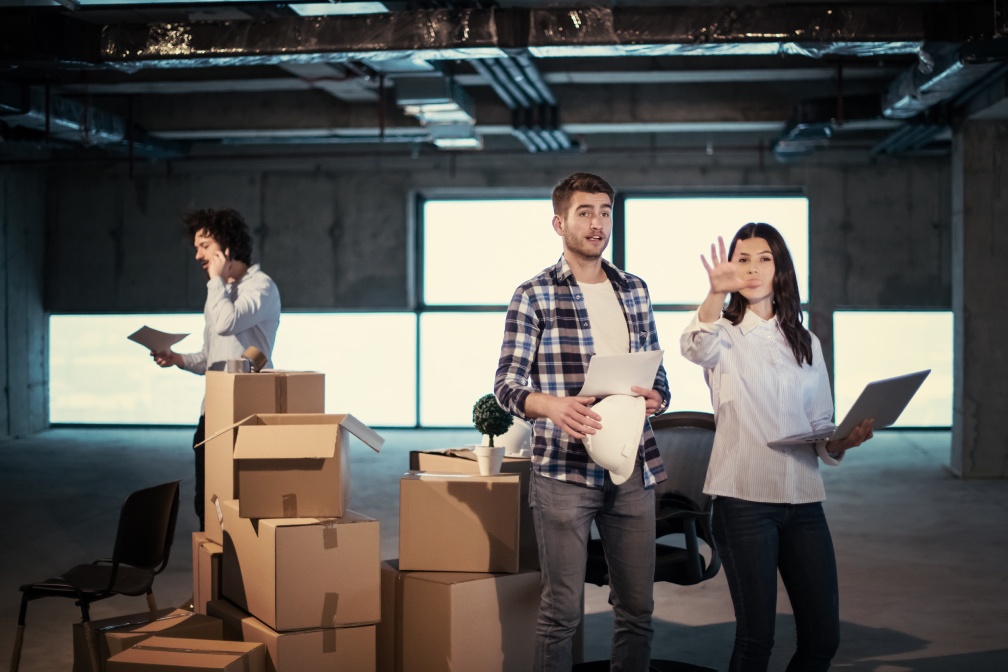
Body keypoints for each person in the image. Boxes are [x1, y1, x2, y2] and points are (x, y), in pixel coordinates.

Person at [494, 172, 670, 672]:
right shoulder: (534, 294)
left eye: (605, 212)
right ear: (559, 223)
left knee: (637, 609)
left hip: (631, 467)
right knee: (561, 613)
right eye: (585, 212)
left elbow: (659, 373)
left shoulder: (634, 289)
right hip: (563, 471)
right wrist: (553, 406)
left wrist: (659, 396)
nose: (598, 223)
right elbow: (506, 384)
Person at [680, 222, 874, 672]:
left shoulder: (806, 341)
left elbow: (820, 424)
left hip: (804, 499)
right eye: (742, 260)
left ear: (779, 268)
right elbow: (694, 347)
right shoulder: (723, 333)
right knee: (756, 641)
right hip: (744, 502)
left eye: (763, 259)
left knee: (823, 639)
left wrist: (845, 440)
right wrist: (714, 293)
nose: (752, 269)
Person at [152, 208, 281, 532]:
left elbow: (226, 323)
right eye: (197, 247)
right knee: (207, 505)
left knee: (245, 504)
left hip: (247, 414)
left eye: (204, 246)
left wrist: (215, 281)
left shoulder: (260, 287)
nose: (198, 255)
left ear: (226, 247)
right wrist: (177, 358)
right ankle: (214, 562)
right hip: (212, 414)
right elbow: (212, 357)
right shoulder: (220, 291)